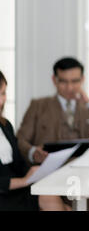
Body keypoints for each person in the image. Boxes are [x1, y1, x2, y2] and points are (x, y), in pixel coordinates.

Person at [17, 57, 89, 165]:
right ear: (54, 80)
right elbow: (21, 139)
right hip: (47, 170)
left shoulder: (88, 108)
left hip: (82, 169)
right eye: (64, 81)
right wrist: (32, 152)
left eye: (75, 81)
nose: (70, 87)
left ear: (82, 79)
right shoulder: (38, 105)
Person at [0, 71, 70, 211]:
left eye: (3, 93)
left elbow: (18, 163)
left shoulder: (5, 125)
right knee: (52, 200)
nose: (3, 100)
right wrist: (24, 181)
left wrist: (37, 172)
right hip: (4, 194)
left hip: (16, 190)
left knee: (61, 204)